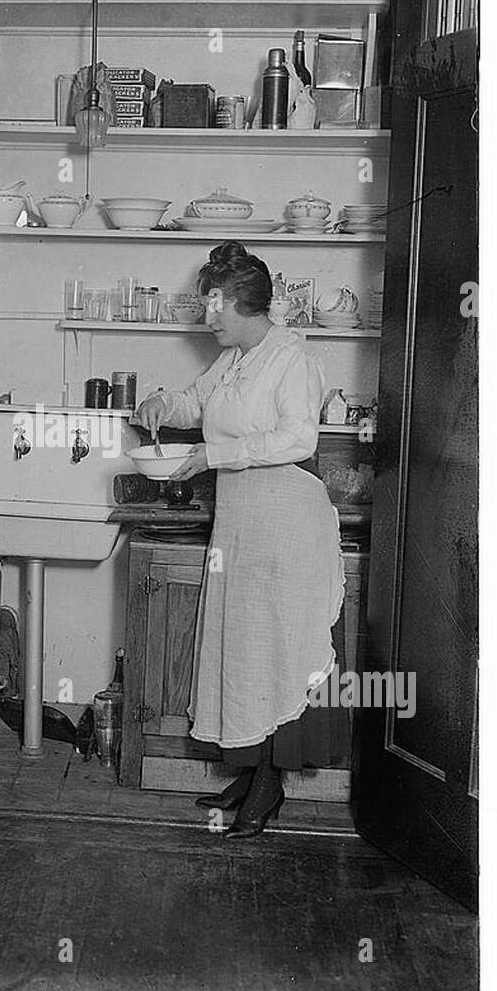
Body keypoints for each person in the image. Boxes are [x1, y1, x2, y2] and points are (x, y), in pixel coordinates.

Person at [136, 241, 348, 837]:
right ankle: (254, 771)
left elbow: (298, 440)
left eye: (215, 307)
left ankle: (271, 785)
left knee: (277, 650)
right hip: (240, 521)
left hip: (286, 522)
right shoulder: (232, 359)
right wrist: (161, 402)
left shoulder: (290, 359)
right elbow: (195, 403)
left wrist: (214, 455)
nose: (208, 318)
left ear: (247, 307)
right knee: (242, 650)